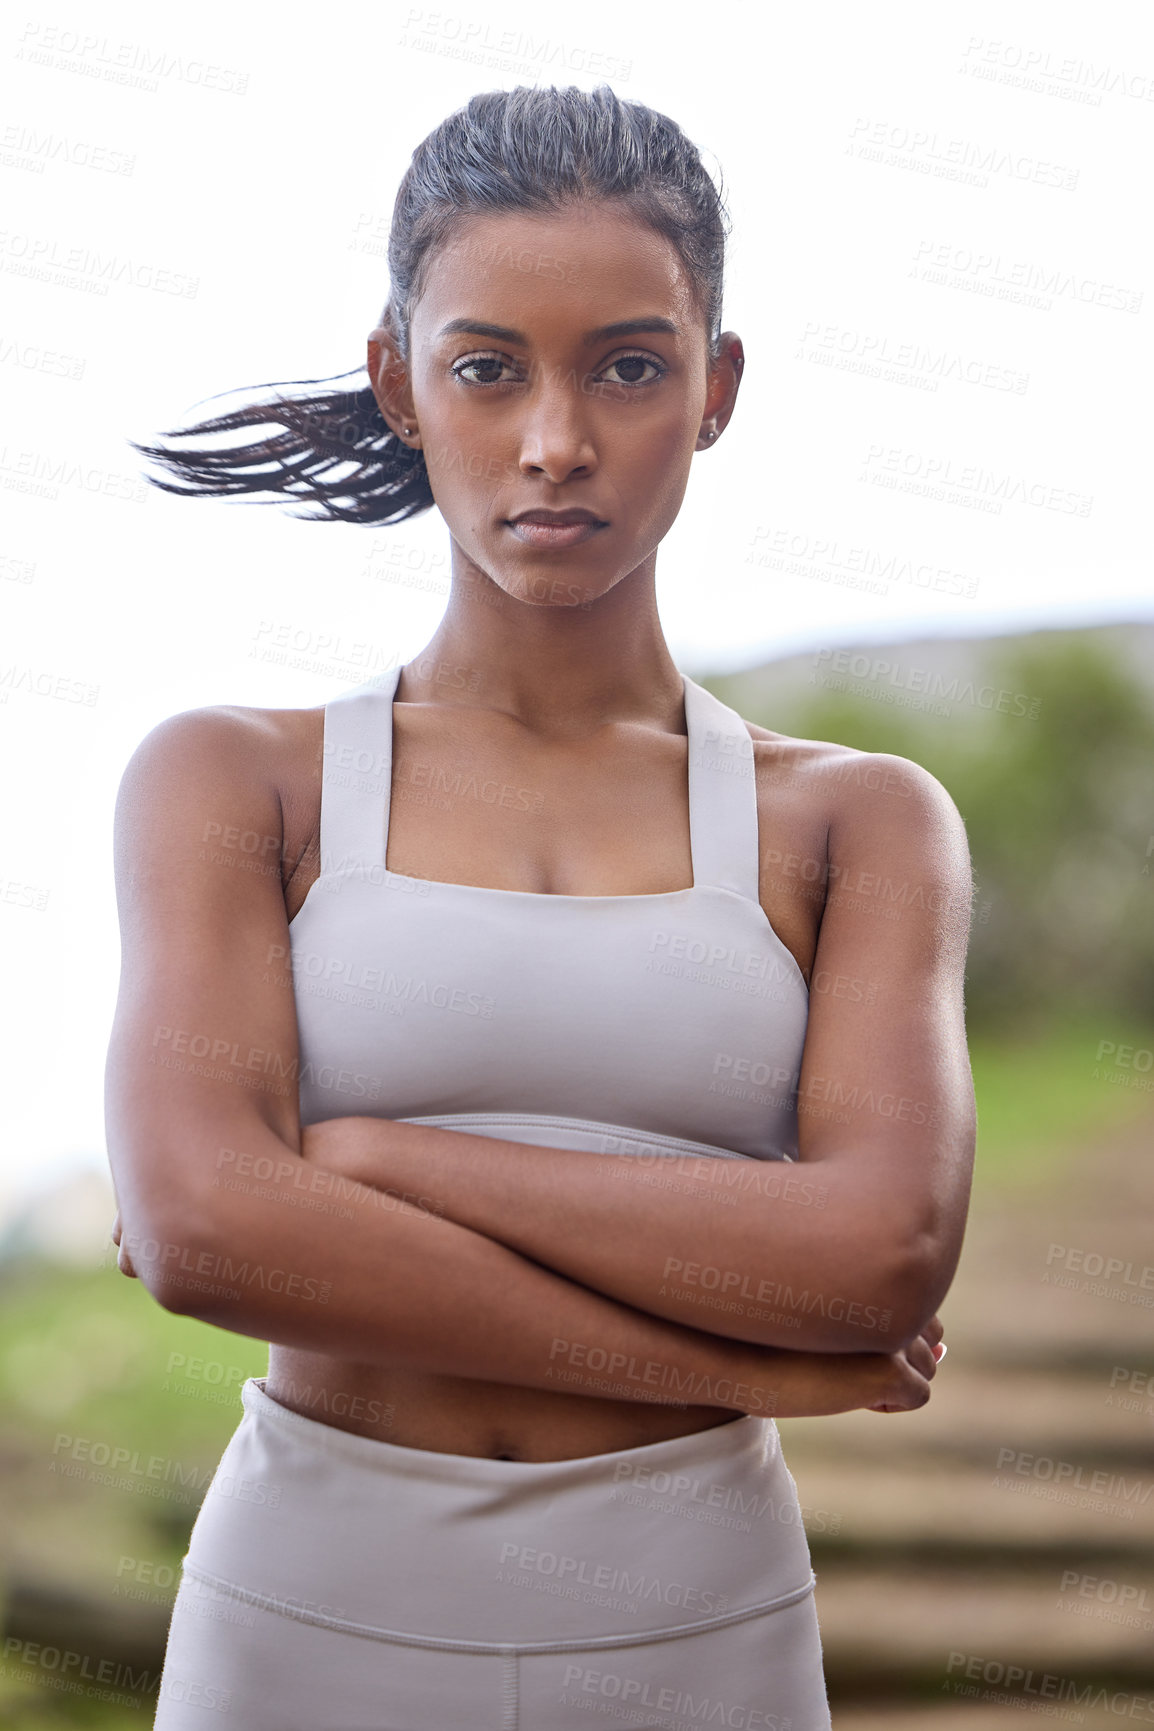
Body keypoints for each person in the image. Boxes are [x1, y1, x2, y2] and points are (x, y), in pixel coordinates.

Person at [105, 83, 972, 1731]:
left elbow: (878, 1256)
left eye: (628, 366)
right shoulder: (235, 783)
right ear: (400, 383)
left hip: (693, 1621)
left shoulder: (857, 822)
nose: (555, 438)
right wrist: (748, 1364)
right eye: (487, 367)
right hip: (308, 1605)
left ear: (714, 390)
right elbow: (209, 1227)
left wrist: (366, 1161)